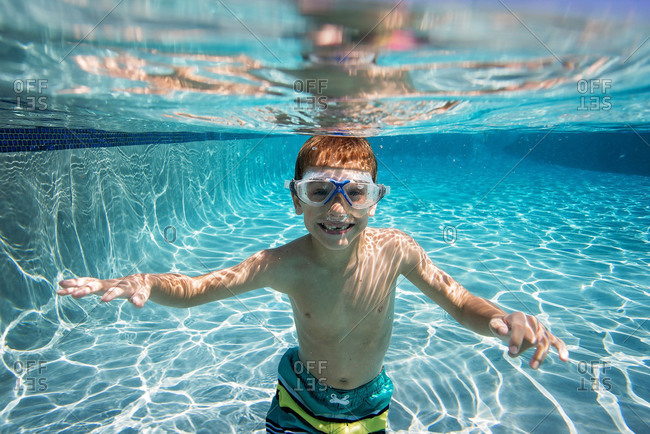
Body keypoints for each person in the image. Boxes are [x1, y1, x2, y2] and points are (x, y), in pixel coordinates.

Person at [57, 136, 569, 433]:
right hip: (299, 400)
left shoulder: (397, 252)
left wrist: (500, 319)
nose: (338, 211)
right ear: (296, 199)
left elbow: (458, 302)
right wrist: (145, 281)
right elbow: (194, 291)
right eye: (320, 192)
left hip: (369, 403)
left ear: (376, 199)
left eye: (356, 195)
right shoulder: (283, 263)